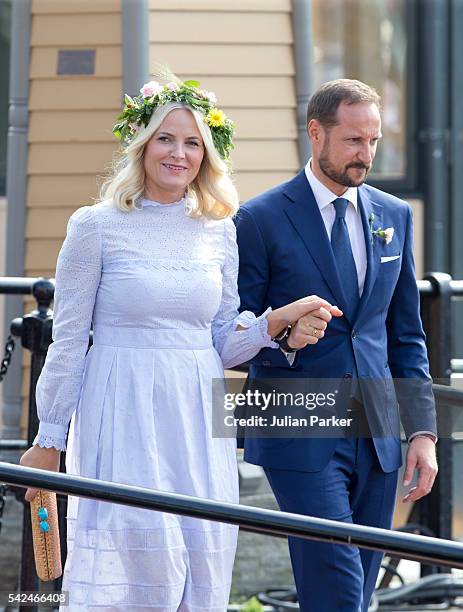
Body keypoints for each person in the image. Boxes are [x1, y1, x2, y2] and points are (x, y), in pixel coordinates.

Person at [19, 74, 341, 611]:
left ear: (207, 155)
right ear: (142, 145)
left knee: (199, 551)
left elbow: (221, 339)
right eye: (166, 139)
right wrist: (50, 438)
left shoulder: (219, 229)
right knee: (130, 552)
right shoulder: (94, 227)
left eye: (193, 143)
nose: (179, 154)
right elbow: (69, 340)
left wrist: (275, 323)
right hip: (120, 408)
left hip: (195, 412)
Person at [235, 79, 438, 612]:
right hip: (295, 422)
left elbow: (406, 334)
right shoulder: (259, 219)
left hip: (378, 430)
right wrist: (285, 339)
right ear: (316, 132)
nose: (365, 155)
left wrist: (422, 432)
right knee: (338, 583)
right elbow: (233, 333)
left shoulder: (394, 216)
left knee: (353, 589)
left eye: (372, 141)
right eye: (352, 141)